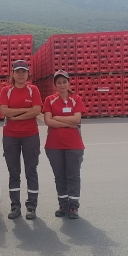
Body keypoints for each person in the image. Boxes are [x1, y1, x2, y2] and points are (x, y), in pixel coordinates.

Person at [0, 59, 43, 220]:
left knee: (31, 171)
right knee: (14, 172)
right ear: (13, 73)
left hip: (30, 135)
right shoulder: (6, 90)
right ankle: (15, 206)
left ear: (27, 74)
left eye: (23, 71)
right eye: (17, 71)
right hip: (10, 136)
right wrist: (26, 110)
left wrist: (15, 115)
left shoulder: (33, 90)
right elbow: (4, 111)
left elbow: (37, 110)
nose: (20, 74)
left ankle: (31, 206)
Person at [42, 70, 86, 219]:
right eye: (59, 82)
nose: (62, 85)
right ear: (55, 85)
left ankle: (73, 206)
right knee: (60, 176)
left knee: (73, 176)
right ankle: (63, 204)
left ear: (69, 83)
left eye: (64, 82)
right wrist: (68, 120)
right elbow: (48, 121)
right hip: (54, 145)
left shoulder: (76, 99)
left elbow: (77, 120)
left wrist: (57, 118)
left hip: (74, 144)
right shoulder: (49, 100)